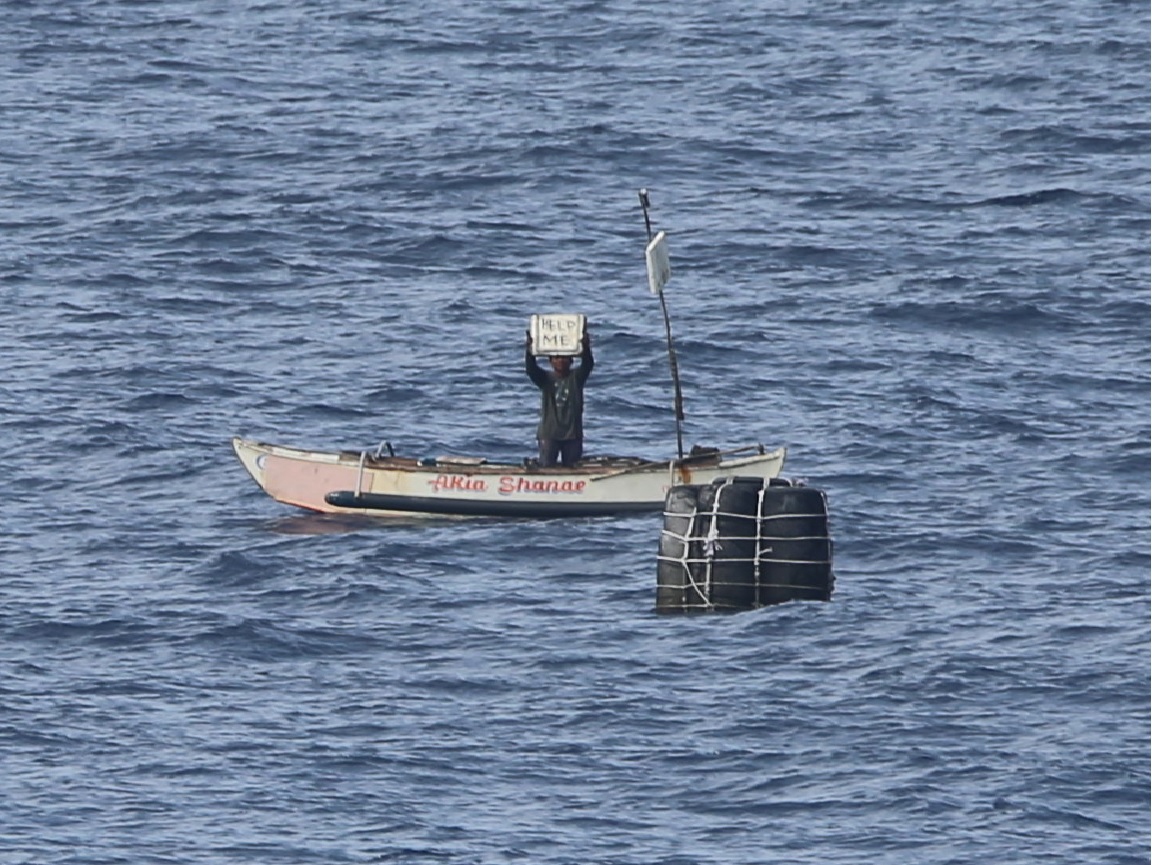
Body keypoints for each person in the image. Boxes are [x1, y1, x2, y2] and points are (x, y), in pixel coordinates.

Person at [525, 327, 594, 467]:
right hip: (549, 434)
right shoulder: (545, 379)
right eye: (556, 358)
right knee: (546, 468)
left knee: (573, 471)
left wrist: (586, 347)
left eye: (564, 358)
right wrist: (529, 350)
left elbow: (588, 365)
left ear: (571, 361)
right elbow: (531, 369)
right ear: (550, 361)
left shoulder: (576, 378)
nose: (560, 361)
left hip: (572, 435)